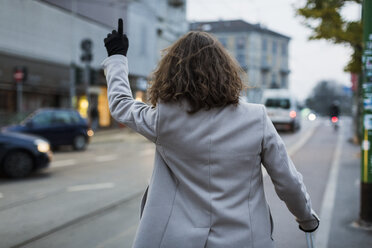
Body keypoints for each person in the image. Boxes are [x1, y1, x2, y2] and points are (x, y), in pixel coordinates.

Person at [102, 19, 319, 248]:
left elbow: (121, 105)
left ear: (171, 73)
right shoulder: (256, 119)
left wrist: (117, 57)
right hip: (245, 240)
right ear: (225, 71)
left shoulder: (163, 120)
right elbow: (287, 180)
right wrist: (306, 219)